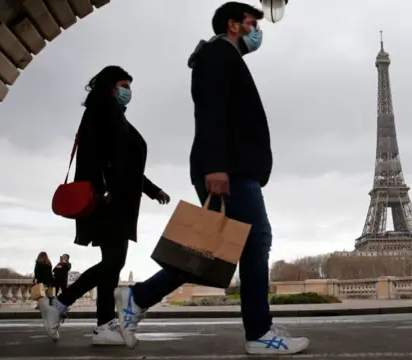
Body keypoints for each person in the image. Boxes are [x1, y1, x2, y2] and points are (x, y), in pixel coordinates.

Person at [113, 2, 309, 355]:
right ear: (234, 25)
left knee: (212, 249)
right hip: (229, 169)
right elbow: (212, 110)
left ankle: (137, 298)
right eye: (252, 23)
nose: (256, 31)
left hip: (232, 167)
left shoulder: (223, 57)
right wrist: (216, 166)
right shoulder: (218, 55)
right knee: (254, 240)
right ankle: (259, 333)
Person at [38, 66, 171, 346]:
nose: (128, 92)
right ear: (110, 86)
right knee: (113, 262)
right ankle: (63, 305)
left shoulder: (113, 115)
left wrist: (152, 190)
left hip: (116, 200)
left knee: (113, 264)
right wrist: (105, 191)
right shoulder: (101, 114)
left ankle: (100, 325)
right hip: (107, 201)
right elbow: (97, 158)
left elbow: (128, 166)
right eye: (124, 85)